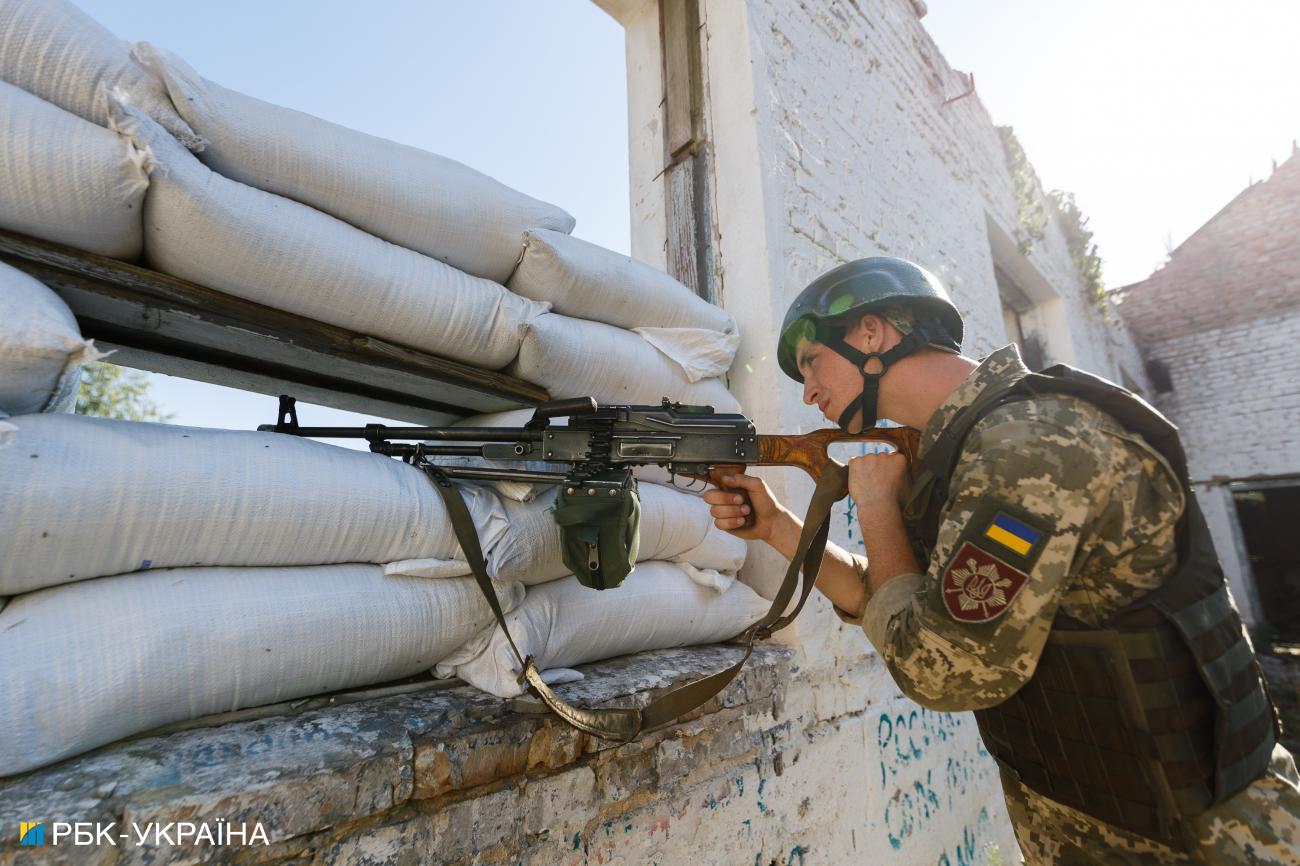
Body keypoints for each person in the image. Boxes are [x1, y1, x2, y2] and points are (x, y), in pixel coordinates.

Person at [704, 256, 1300, 864]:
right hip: (1107, 821)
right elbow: (899, 595)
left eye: (811, 362)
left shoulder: (1028, 444)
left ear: (870, 335)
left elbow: (941, 667)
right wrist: (778, 528)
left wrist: (878, 505)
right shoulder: (968, 447)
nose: (807, 391)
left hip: (1197, 839)